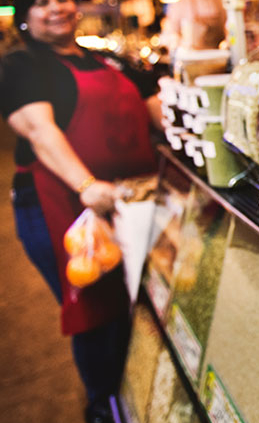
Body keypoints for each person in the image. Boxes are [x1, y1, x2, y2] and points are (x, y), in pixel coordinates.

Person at [0, 1, 160, 422]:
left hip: (131, 205)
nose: (56, 8)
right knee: (96, 311)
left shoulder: (107, 59)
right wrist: (86, 186)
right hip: (63, 208)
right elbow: (39, 130)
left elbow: (156, 107)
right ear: (24, 16)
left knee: (140, 304)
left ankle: (141, 395)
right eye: (41, 3)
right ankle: (104, 408)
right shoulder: (21, 64)